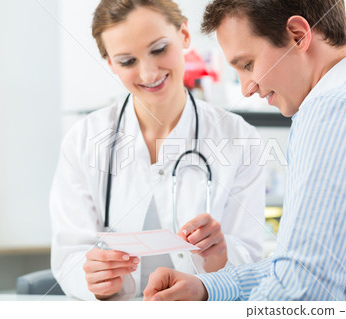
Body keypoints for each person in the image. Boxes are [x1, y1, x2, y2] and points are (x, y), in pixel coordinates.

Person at [143, 0, 346, 301]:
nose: (247, 88)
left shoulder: (337, 111)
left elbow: (303, 290)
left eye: (247, 65)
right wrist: (208, 287)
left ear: (298, 35)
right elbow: (301, 265)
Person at [50, 0, 266, 301]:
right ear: (110, 63)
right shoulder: (84, 140)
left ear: (184, 36)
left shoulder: (239, 137)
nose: (149, 73)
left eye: (159, 49)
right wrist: (91, 278)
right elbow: (69, 254)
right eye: (127, 61)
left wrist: (221, 257)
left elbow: (254, 258)